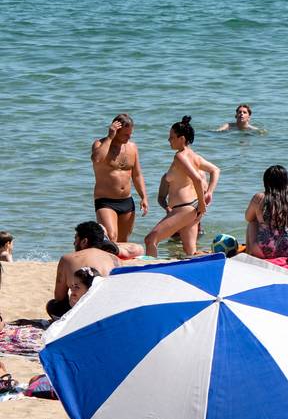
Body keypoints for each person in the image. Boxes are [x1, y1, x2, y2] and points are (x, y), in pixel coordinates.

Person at [142, 117, 219, 258]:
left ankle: (152, 272)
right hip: (191, 208)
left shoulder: (180, 156)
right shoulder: (195, 156)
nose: (169, 140)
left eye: (171, 137)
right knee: (190, 252)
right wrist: (209, 193)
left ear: (182, 138)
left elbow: (196, 178)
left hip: (185, 208)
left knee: (150, 240)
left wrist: (203, 202)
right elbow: (215, 170)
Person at [91, 114, 148, 243]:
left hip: (127, 201)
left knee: (123, 241)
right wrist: (110, 137)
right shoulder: (100, 144)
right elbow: (97, 159)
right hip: (105, 201)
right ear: (115, 131)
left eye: (130, 134)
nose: (129, 137)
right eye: (125, 134)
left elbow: (137, 175)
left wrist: (143, 197)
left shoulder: (132, 147)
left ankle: (119, 263)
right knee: (111, 237)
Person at [50, 222, 123, 317]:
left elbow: (60, 297)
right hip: (109, 313)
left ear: (84, 241)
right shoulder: (116, 260)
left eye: (76, 239)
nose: (74, 243)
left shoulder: (67, 259)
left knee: (53, 306)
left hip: (83, 316)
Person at [245, 166, 288, 259]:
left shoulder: (259, 197)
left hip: (262, 251)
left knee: (253, 221)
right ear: (286, 181)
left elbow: (248, 218)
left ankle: (249, 253)